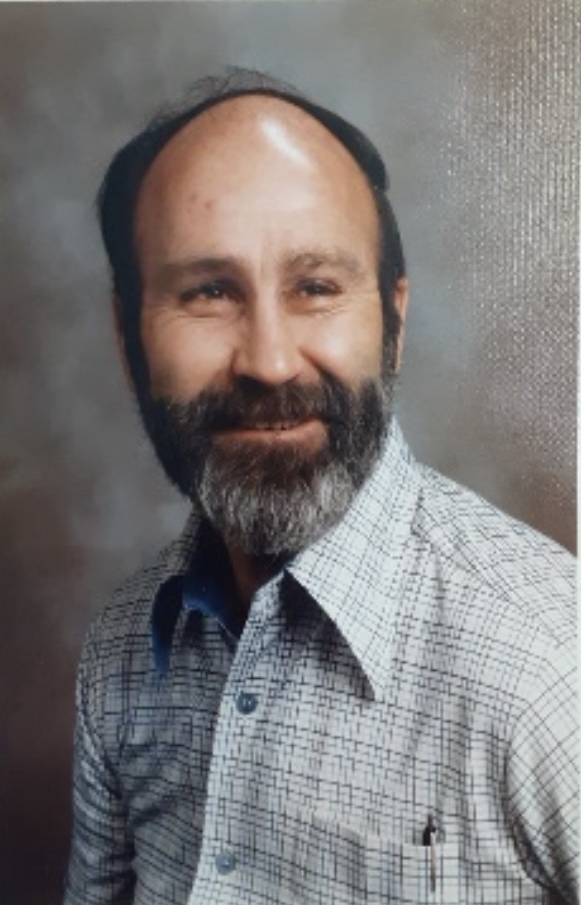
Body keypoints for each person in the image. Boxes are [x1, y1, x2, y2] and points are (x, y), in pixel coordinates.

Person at [64, 69, 577, 905]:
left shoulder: (551, 664)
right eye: (209, 292)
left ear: (393, 325)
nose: (268, 361)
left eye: (315, 287)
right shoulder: (120, 652)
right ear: (129, 341)